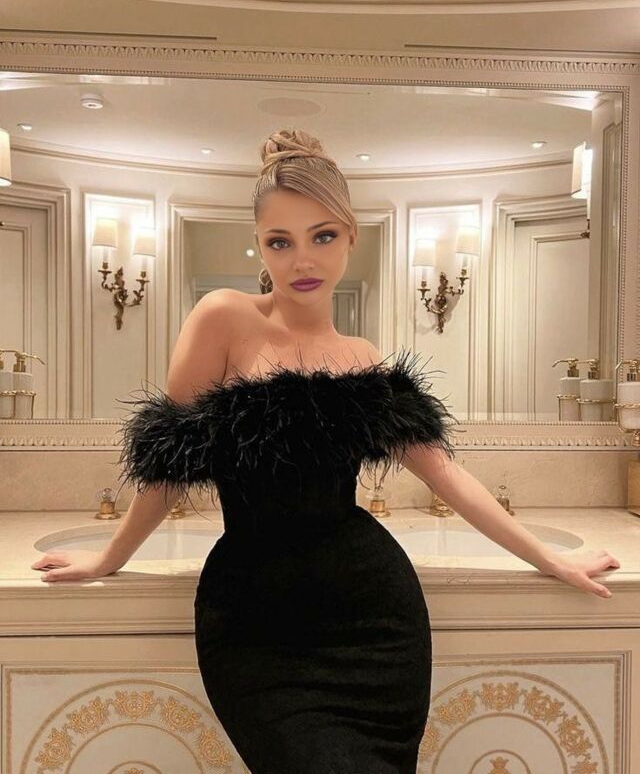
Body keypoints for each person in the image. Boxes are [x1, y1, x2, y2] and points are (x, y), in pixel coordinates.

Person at [31, 128, 621, 773]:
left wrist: (551, 559)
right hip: (253, 619)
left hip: (373, 619)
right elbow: (168, 466)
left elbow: (447, 477)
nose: (302, 260)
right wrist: (111, 556)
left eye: (323, 236)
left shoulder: (362, 360)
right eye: (280, 241)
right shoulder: (223, 317)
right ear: (259, 245)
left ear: (350, 237)